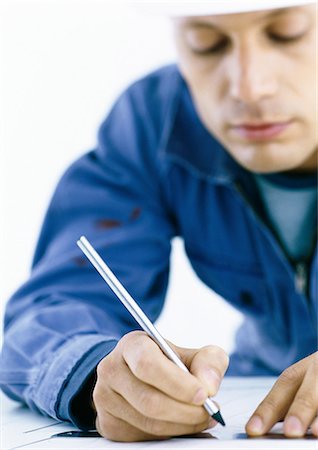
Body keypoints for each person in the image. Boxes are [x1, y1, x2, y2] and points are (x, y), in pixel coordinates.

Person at [0, 0, 317, 442]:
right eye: (206, 44)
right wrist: (99, 376)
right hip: (260, 403)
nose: (249, 87)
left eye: (288, 34)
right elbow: (48, 314)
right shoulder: (154, 123)